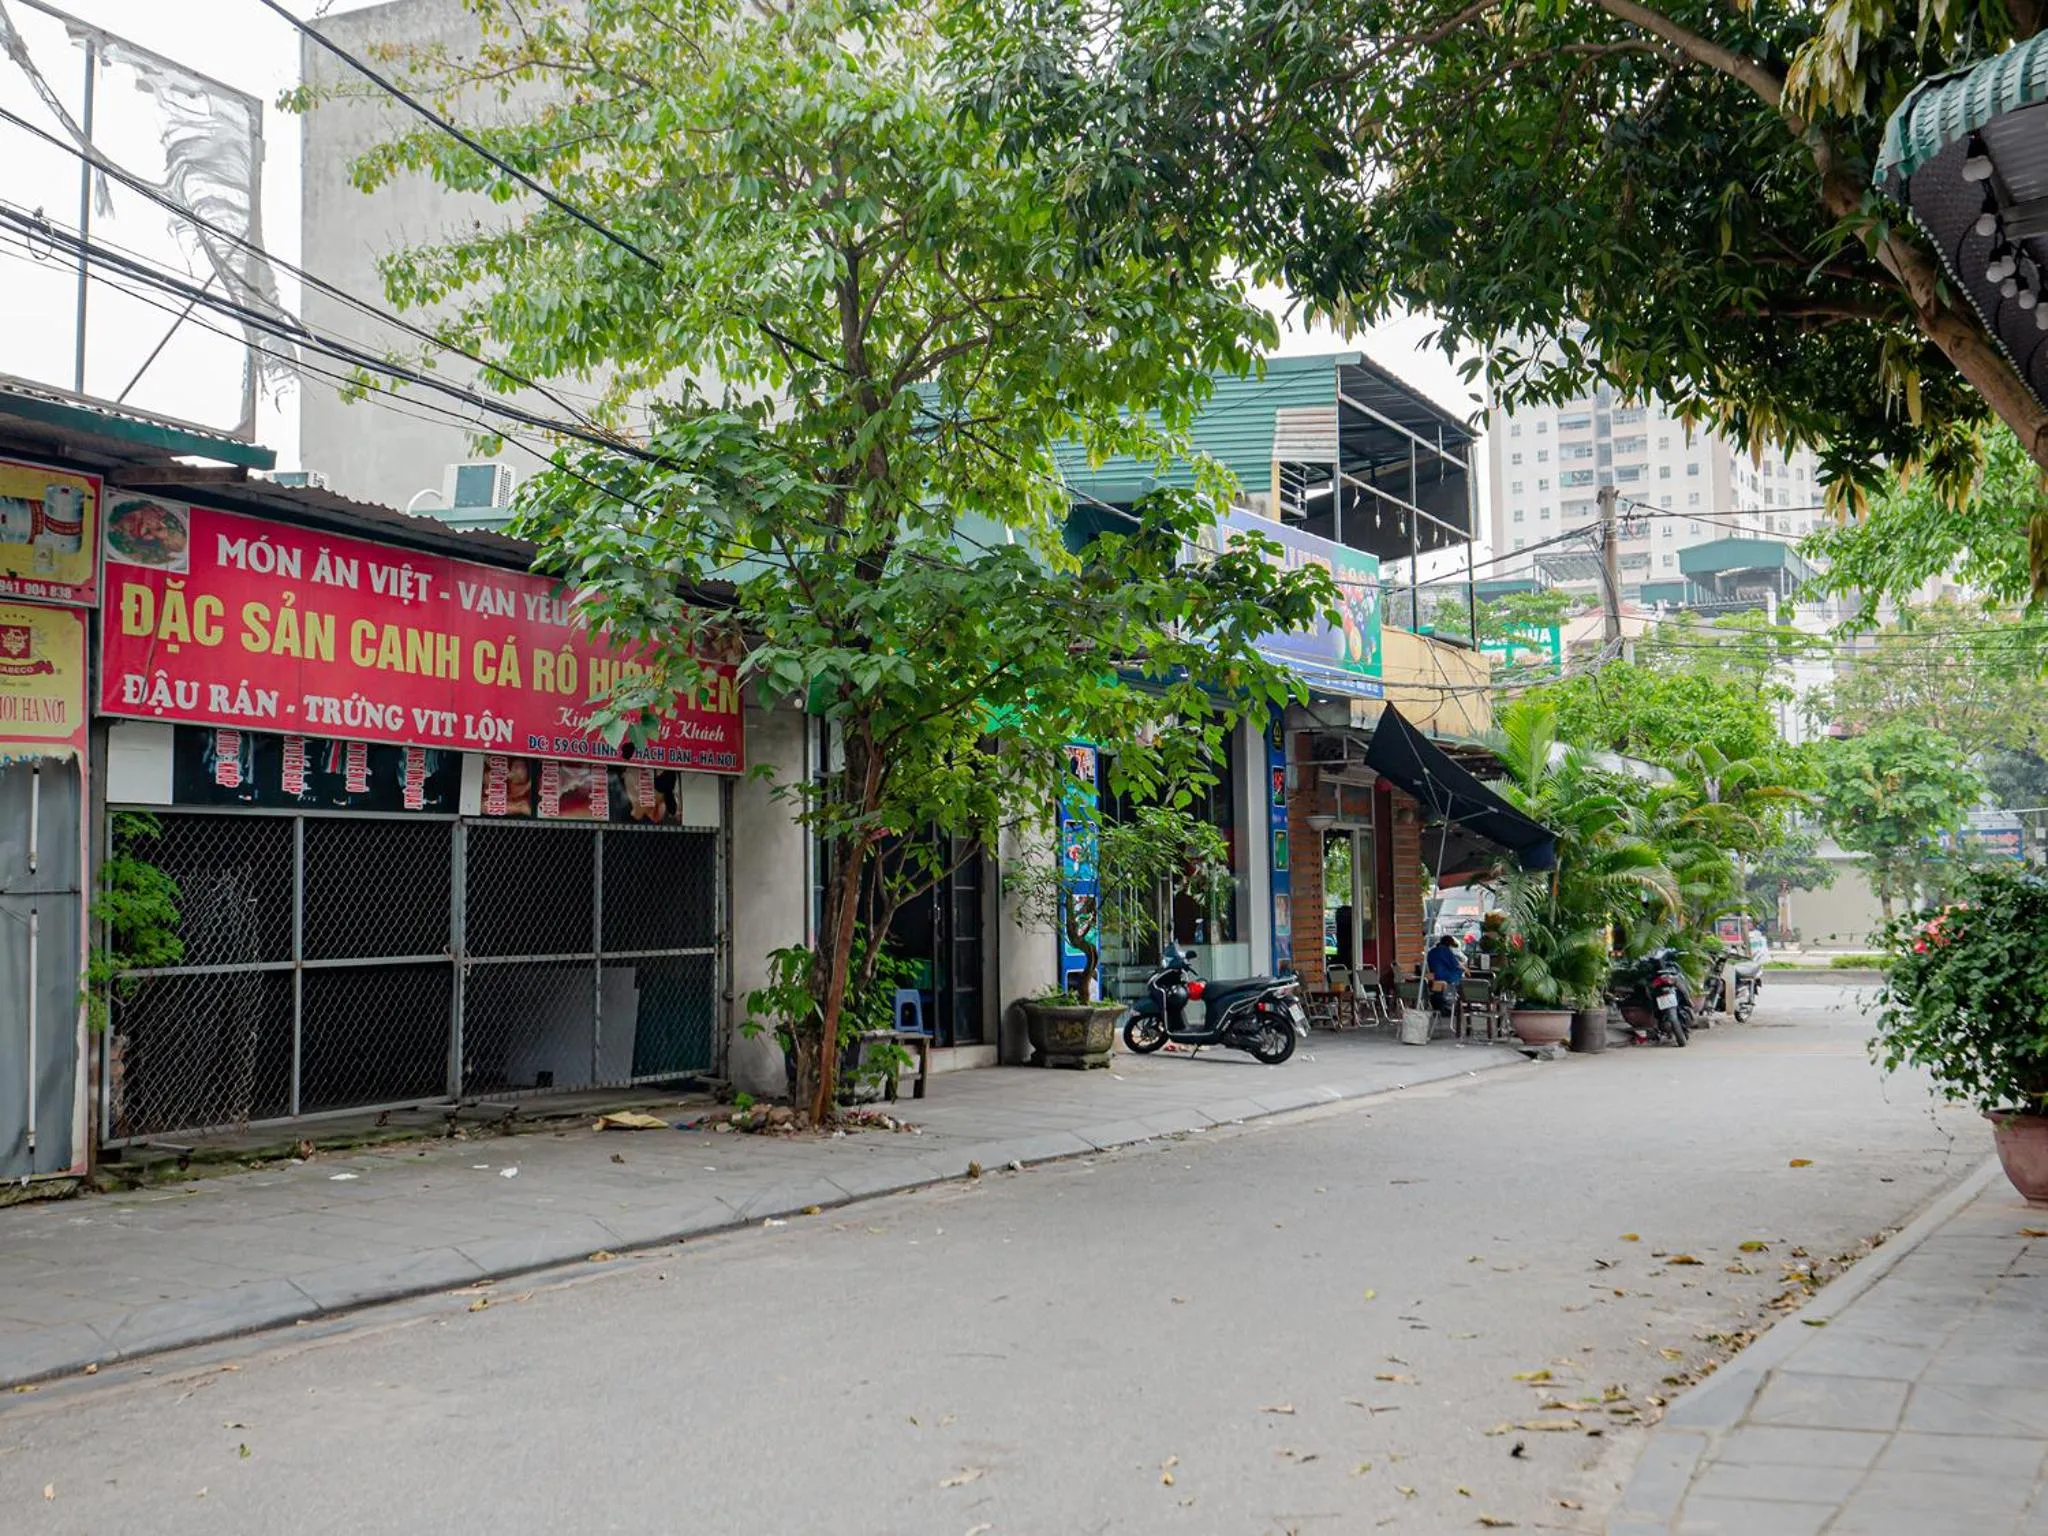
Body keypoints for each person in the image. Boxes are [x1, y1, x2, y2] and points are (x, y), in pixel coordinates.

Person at [1427, 934, 1465, 1014]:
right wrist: (1464, 969)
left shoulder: (1432, 951)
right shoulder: (1446, 951)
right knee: (1459, 974)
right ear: (1449, 945)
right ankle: (1457, 1000)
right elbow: (1454, 965)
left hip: (1435, 976)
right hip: (1445, 976)